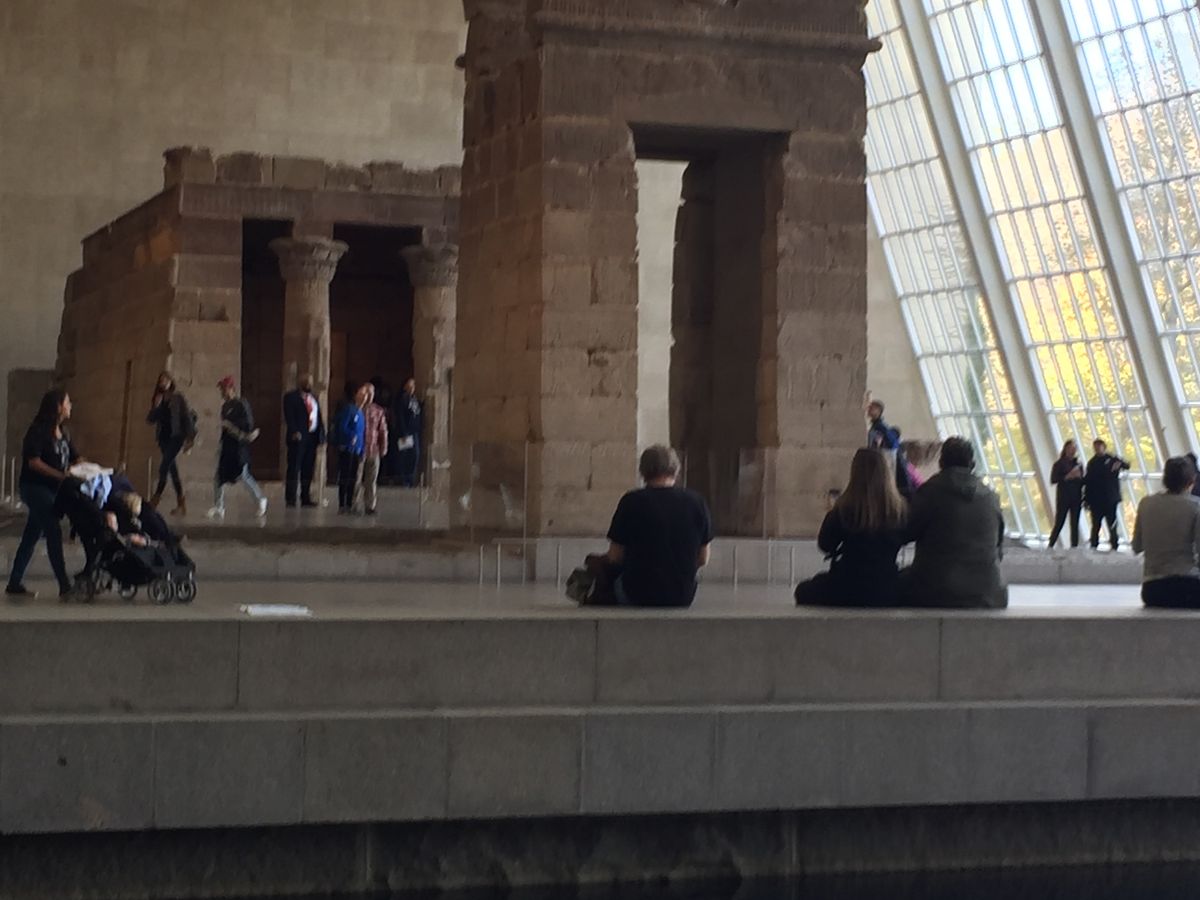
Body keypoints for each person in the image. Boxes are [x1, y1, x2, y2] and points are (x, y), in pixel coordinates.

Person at [899, 436, 1007, 609]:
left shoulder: (930, 492)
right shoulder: (991, 497)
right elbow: (998, 548)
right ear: (972, 464)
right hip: (989, 592)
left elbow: (906, 533)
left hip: (938, 590)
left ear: (941, 462)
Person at [599, 445, 713, 607]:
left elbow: (615, 556)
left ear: (643, 471)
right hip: (682, 596)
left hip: (636, 593)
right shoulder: (697, 502)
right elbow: (703, 559)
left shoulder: (631, 501)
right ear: (676, 470)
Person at [794, 449, 908, 607]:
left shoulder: (844, 508)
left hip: (848, 585)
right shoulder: (898, 511)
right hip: (885, 586)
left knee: (803, 590)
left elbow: (825, 544)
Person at [5, 391, 78, 599]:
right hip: (34, 487)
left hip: (52, 489)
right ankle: (64, 584)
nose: (70, 405)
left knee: (32, 534)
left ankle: (14, 582)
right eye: (67, 402)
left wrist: (91, 469)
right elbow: (34, 462)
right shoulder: (38, 431)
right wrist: (59, 475)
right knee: (53, 529)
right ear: (58, 406)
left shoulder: (64, 433)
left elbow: (75, 457)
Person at [1132, 456, 1200, 608]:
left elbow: (1137, 547)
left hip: (1152, 589)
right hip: (1188, 586)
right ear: (1191, 480)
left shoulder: (1146, 504)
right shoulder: (1195, 506)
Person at [206, 376, 267, 520]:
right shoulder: (225, 407)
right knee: (219, 477)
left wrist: (232, 426)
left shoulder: (241, 404)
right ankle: (219, 506)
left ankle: (260, 499)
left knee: (243, 475)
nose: (222, 392)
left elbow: (247, 424)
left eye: (224, 389)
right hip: (227, 445)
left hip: (239, 446)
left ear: (231, 389)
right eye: (221, 389)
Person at [145, 371, 193, 515]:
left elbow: (186, 417)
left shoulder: (177, 398)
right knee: (172, 469)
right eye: (161, 380)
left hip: (176, 437)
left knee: (164, 466)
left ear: (171, 382)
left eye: (166, 380)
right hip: (163, 439)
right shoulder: (158, 398)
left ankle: (156, 499)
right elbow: (150, 420)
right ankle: (181, 502)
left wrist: (190, 438)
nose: (163, 383)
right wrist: (156, 407)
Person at [282, 374, 325, 508]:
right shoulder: (291, 397)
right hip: (298, 437)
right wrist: (294, 430)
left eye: (310, 382)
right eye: (306, 382)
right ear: (301, 383)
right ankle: (291, 498)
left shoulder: (313, 398)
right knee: (294, 468)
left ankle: (305, 496)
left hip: (311, 438)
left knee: (308, 468)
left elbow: (318, 416)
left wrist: (322, 434)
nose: (309, 384)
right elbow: (289, 416)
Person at [1085, 439, 1131, 550]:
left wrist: (1119, 465)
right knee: (1096, 524)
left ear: (1104, 447)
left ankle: (1114, 544)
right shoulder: (1092, 463)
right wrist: (1087, 499)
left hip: (1110, 498)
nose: (1097, 449)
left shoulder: (1112, 459)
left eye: (1099, 447)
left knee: (1112, 523)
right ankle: (1094, 544)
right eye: (1095, 447)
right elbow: (1089, 481)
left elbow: (1126, 465)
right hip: (1097, 499)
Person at [865, 398, 912, 499]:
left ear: (878, 411)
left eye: (871, 408)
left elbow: (891, 445)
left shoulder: (881, 427)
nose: (868, 410)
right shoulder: (877, 427)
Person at [332, 384, 367, 513]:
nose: (364, 397)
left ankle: (350, 503)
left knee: (353, 477)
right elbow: (342, 426)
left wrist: (362, 450)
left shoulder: (361, 413)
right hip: (347, 448)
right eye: (362, 394)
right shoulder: (349, 409)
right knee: (345, 476)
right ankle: (342, 504)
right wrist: (351, 436)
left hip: (357, 450)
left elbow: (362, 433)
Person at [1048, 439, 1085, 549]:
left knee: (1075, 523)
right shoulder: (1059, 464)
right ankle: (1051, 543)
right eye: (1070, 448)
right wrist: (1067, 477)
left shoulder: (1078, 464)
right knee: (1060, 521)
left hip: (1076, 496)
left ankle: (1074, 546)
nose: (1072, 451)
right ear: (1065, 449)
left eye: (1074, 449)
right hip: (1063, 496)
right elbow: (1053, 479)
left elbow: (1083, 480)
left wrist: (1079, 477)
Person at [359, 383, 389, 515]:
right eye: (367, 393)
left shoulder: (378, 410)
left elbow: (383, 430)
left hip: (373, 449)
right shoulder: (357, 409)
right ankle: (354, 503)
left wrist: (383, 447)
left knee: (371, 480)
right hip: (360, 449)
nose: (370, 396)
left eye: (372, 393)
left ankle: (370, 505)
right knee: (357, 478)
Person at [394, 377, 423, 488]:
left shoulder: (415, 399)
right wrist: (404, 431)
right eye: (410, 385)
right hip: (405, 432)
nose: (412, 388)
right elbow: (400, 416)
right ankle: (403, 479)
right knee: (404, 455)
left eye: (413, 386)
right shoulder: (402, 399)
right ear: (405, 386)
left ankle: (411, 479)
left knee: (415, 455)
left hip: (414, 432)